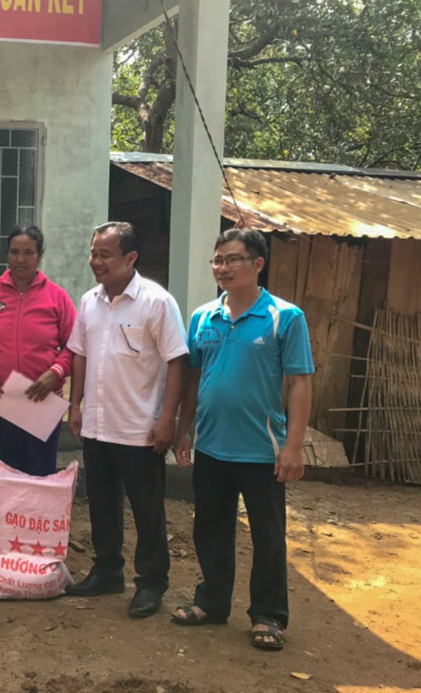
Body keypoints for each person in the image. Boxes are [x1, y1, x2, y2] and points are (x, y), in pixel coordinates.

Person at [171, 228, 313, 651]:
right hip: (212, 447)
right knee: (210, 529)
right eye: (217, 260)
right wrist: (184, 428)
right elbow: (194, 378)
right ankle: (213, 602)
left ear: (257, 265)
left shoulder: (284, 317)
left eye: (233, 259)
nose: (223, 267)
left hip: (261, 451)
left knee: (268, 536)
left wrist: (293, 446)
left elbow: (301, 382)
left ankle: (268, 615)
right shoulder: (203, 317)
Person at [65, 221, 189, 620]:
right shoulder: (88, 301)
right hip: (99, 425)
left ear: (130, 258)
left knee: (147, 509)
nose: (95, 261)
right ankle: (107, 571)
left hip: (140, 427)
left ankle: (152, 583)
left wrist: (167, 418)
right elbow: (79, 354)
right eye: (93, 253)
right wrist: (75, 405)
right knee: (101, 503)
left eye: (105, 254)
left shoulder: (156, 302)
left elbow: (177, 362)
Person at [0, 225, 76, 476]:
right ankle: (11, 517)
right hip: (3, 398)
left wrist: (55, 371)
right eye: (14, 252)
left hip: (41, 399)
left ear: (40, 256)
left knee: (41, 472)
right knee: (10, 472)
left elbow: (75, 346)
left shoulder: (57, 297)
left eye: (29, 252)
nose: (20, 259)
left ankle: (40, 517)